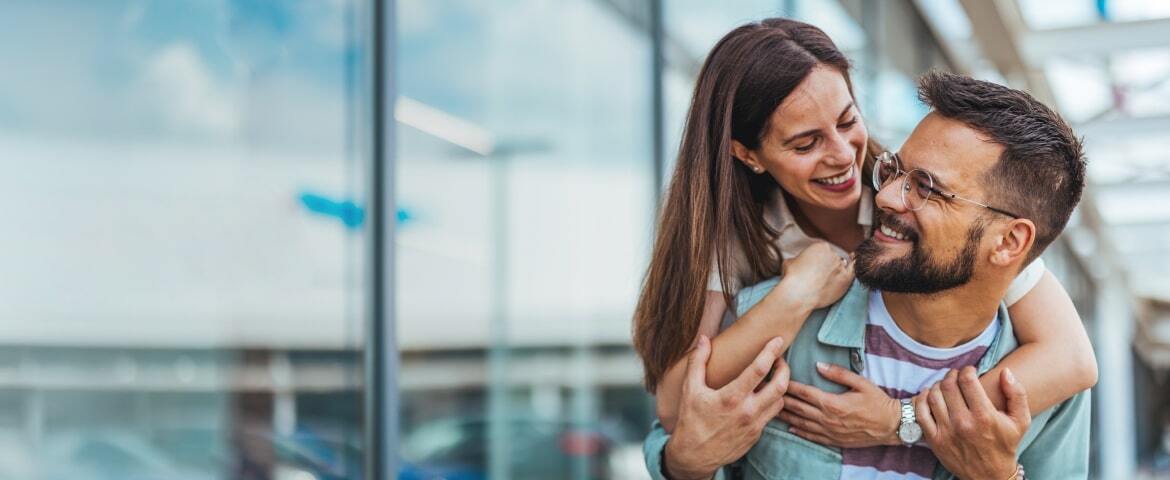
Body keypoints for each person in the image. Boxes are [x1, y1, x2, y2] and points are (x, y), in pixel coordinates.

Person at [631, 17, 1096, 453]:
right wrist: (795, 294)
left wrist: (902, 421)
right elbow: (675, 405)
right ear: (748, 155)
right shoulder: (731, 234)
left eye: (848, 121)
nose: (842, 155)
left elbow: (1071, 360)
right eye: (805, 143)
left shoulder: (912, 192)